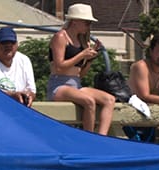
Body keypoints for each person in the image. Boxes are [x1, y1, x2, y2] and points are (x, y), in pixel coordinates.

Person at [47, 4, 116, 135]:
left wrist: (90, 59)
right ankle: (88, 138)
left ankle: (102, 137)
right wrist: (82, 55)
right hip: (59, 85)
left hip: (76, 85)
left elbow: (81, 74)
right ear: (74, 21)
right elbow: (59, 66)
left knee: (109, 100)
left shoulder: (82, 41)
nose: (89, 26)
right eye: (86, 22)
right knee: (89, 101)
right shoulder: (61, 37)